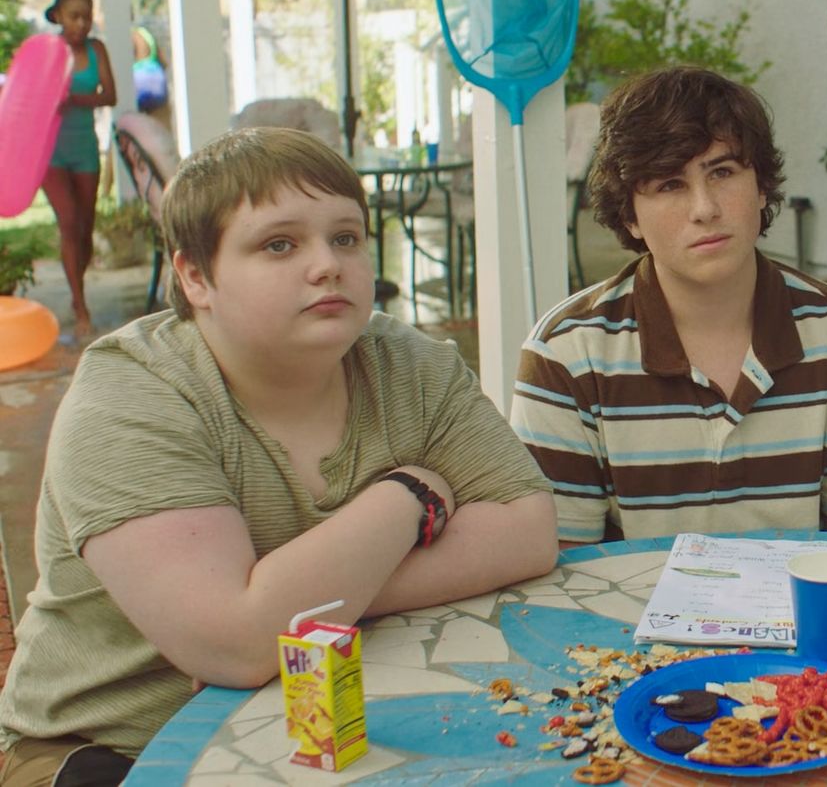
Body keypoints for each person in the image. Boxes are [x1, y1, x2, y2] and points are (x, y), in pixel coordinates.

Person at [0, 127, 559, 785]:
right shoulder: (132, 396)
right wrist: (407, 497)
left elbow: (529, 531)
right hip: (117, 747)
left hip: (339, 717)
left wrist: (286, 604)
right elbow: (234, 647)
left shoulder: (408, 363)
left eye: (345, 237)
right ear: (195, 276)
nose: (327, 265)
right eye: (279, 244)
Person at [510, 66, 827, 545]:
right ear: (629, 217)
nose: (704, 208)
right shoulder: (567, 356)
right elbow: (566, 577)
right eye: (669, 185)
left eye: (722, 172)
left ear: (761, 187)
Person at [40, 0, 116, 338]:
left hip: (85, 147)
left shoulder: (95, 49)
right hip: (49, 150)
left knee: (85, 227)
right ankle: (80, 303)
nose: (82, 23)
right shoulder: (44, 52)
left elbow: (109, 95)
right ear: (57, 15)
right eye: (74, 15)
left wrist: (71, 98)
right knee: (69, 222)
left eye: (87, 15)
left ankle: (77, 285)